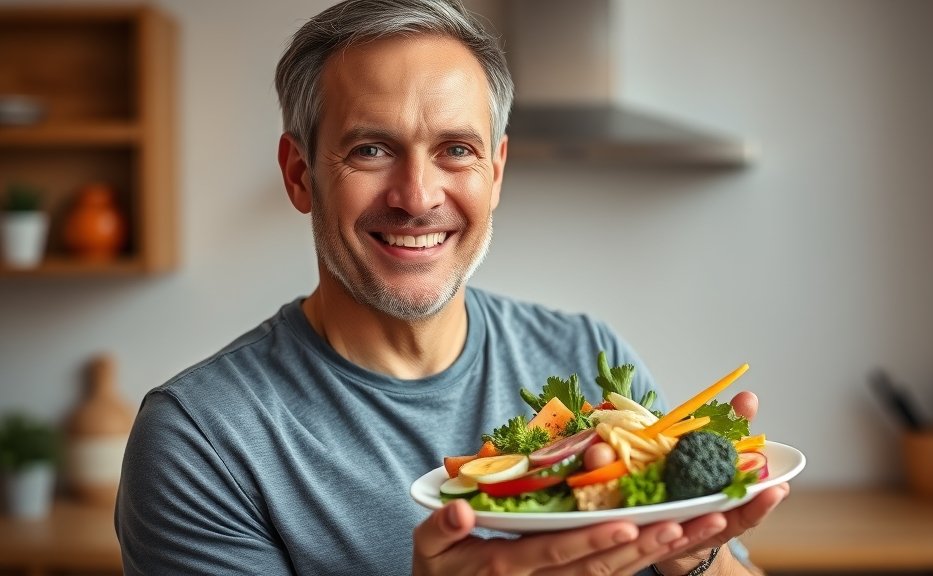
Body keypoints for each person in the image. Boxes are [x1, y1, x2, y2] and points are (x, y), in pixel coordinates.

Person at [114, 0, 788, 574]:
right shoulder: (202, 438)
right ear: (298, 174)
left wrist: (691, 558)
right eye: (372, 149)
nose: (416, 196)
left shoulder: (589, 360)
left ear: (495, 171)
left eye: (456, 149)